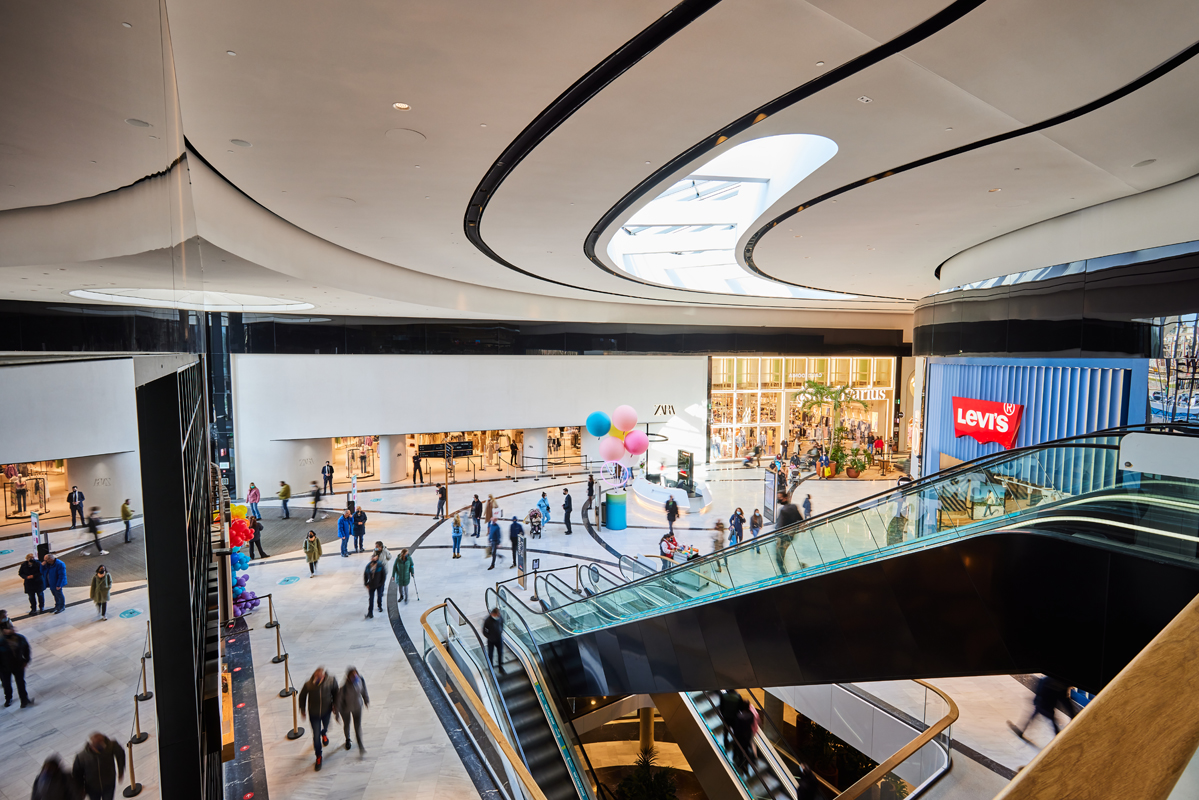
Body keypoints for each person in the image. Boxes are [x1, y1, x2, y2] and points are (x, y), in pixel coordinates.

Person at [298, 667, 338, 771]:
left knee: (325, 727)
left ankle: (324, 733)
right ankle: (318, 756)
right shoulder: (309, 684)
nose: (318, 679)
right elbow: (302, 696)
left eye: (320, 677)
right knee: (316, 736)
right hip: (314, 714)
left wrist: (335, 705)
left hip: (326, 712)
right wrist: (302, 709)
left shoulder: (331, 681)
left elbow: (336, 693)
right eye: (317, 677)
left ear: (324, 676)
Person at [1008, 675, 1069, 741]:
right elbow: (1065, 701)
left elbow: (1039, 689)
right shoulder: (1061, 685)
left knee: (1037, 717)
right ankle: (1021, 731)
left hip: (1043, 704)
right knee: (1037, 717)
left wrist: (1036, 700)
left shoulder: (1047, 680)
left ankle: (1059, 737)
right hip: (1047, 706)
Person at [72, 733, 124, 800]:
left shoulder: (110, 746)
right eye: (99, 748)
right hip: (92, 788)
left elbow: (120, 754)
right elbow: (77, 775)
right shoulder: (82, 757)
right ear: (91, 746)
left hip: (109, 784)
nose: (102, 748)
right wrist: (80, 789)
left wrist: (121, 770)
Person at [337, 666, 370, 755]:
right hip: (346, 709)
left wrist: (366, 700)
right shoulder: (343, 688)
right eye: (353, 676)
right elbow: (338, 701)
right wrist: (337, 714)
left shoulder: (360, 680)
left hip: (357, 707)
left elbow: (364, 690)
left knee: (357, 727)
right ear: (348, 677)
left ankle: (361, 746)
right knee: (347, 724)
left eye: (356, 675)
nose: (355, 677)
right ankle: (347, 739)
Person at [0, 623, 33, 708]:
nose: (11, 630)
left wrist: (26, 660)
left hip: (19, 665)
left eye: (11, 628)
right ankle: (8, 699)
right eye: (8, 629)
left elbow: (27, 649)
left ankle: (24, 700)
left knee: (21, 683)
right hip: (4, 668)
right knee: (6, 684)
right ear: (4, 631)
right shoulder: (1, 642)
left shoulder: (21, 638)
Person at [774, 490, 802, 573]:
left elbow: (780, 526)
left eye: (780, 498)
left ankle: (784, 574)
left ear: (785, 498)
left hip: (783, 536)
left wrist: (777, 534)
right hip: (791, 535)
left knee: (779, 557)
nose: (779, 499)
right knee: (780, 555)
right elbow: (800, 519)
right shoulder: (794, 506)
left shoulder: (783, 511)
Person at [731, 699, 755, 772]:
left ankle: (741, 764)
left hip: (740, 736)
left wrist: (735, 736)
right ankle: (747, 763)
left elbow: (737, 728)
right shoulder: (751, 715)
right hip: (748, 735)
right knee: (746, 748)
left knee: (740, 750)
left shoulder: (739, 716)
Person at [363, 554, 386, 619]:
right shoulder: (368, 566)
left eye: (374, 558)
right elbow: (365, 575)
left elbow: (383, 575)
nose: (373, 559)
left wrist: (382, 583)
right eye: (372, 558)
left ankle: (379, 606)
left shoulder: (380, 565)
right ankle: (370, 613)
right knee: (371, 599)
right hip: (371, 585)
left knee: (379, 595)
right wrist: (366, 583)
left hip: (379, 584)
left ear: (377, 558)